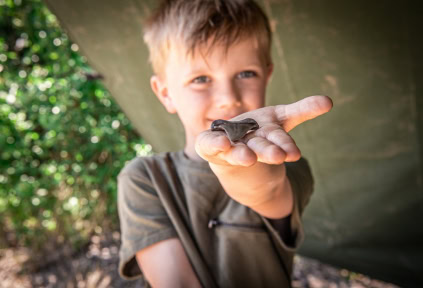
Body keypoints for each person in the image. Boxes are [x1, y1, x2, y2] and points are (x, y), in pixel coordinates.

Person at [117, 0, 333, 287]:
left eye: (246, 74)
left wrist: (239, 169)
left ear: (267, 76)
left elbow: (268, 191)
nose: (227, 97)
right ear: (165, 93)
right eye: (201, 79)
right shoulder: (144, 179)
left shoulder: (286, 161)